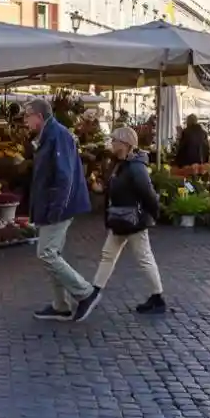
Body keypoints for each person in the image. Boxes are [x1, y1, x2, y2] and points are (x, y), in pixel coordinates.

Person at [22, 98, 97, 322]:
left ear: (39, 116)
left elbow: (64, 176)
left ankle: (85, 292)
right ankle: (61, 304)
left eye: (27, 116)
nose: (25, 120)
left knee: (46, 253)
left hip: (58, 206)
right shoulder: (49, 135)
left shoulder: (57, 135)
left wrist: (56, 208)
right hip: (52, 206)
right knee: (53, 253)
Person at [89, 126, 165, 315]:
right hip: (120, 218)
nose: (111, 143)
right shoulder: (119, 164)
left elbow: (148, 193)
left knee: (143, 257)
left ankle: (157, 296)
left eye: (114, 140)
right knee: (109, 254)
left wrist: (154, 214)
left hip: (133, 220)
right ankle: (95, 290)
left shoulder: (136, 168)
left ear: (125, 144)